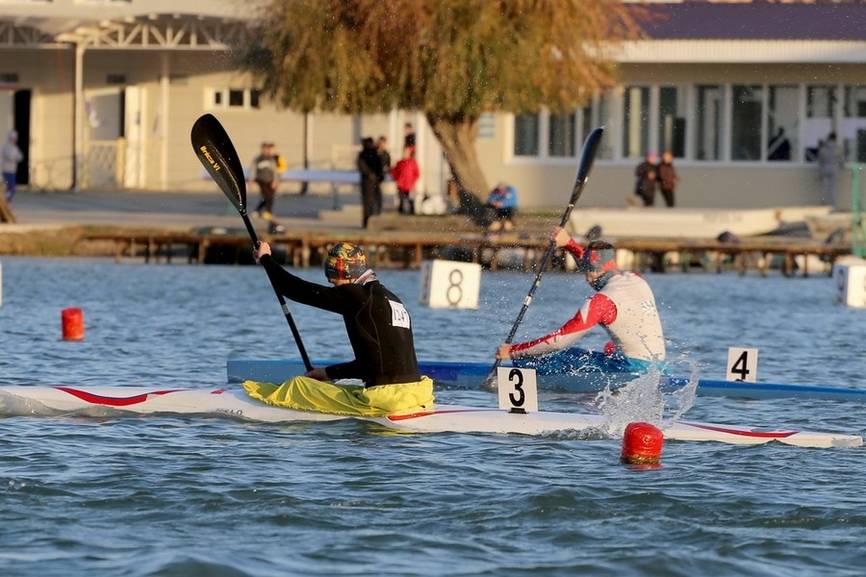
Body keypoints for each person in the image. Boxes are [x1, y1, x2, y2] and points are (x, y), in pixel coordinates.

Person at [246, 241, 433, 416]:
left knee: (298, 386)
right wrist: (327, 373)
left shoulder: (355, 296)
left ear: (347, 271)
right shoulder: (391, 298)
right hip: (417, 395)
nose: (330, 280)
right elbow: (373, 365)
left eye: (333, 271)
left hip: (384, 401)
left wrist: (266, 259)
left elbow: (295, 289)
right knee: (339, 386)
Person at [496, 227, 666, 374]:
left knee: (548, 357)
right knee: (602, 350)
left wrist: (513, 351)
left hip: (629, 370)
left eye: (587, 273)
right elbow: (592, 263)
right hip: (659, 368)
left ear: (594, 271)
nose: (586, 279)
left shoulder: (601, 301)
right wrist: (568, 243)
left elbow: (559, 341)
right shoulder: (637, 279)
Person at [250, 142, 282, 221]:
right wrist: (252, 179)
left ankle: (258, 211)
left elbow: (275, 171)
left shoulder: (272, 159)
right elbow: (253, 169)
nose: (266, 151)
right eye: (264, 149)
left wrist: (275, 181)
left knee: (268, 197)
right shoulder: (258, 158)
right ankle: (268, 212)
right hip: (261, 180)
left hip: (270, 180)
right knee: (268, 196)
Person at [357, 137, 384, 228]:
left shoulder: (369, 154)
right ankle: (368, 221)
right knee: (369, 203)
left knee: (370, 203)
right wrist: (375, 176)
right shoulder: (369, 154)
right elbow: (362, 166)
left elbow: (378, 167)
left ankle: (369, 221)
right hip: (369, 182)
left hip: (370, 182)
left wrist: (376, 177)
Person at [818, 132, 844, 207]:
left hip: (825, 167)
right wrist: (842, 166)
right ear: (835, 138)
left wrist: (820, 171)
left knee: (824, 186)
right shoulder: (838, 148)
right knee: (833, 187)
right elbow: (841, 160)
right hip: (834, 168)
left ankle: (823, 202)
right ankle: (833, 204)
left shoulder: (824, 148)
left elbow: (820, 160)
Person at [391, 146, 420, 215]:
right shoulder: (399, 162)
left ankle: (412, 212)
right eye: (404, 152)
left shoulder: (412, 162)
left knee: (410, 199)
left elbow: (417, 173)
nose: (405, 153)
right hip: (401, 185)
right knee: (401, 199)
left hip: (410, 185)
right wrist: (397, 179)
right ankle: (401, 212)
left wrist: (413, 181)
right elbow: (394, 172)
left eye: (406, 152)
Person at [2, 130, 23, 201]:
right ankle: (6, 200)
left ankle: (7, 200)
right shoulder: (6, 147)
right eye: (14, 138)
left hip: (12, 171)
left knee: (12, 188)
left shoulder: (15, 148)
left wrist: (16, 157)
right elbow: (10, 157)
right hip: (6, 171)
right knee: (9, 186)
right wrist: (15, 157)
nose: (15, 140)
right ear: (11, 138)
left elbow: (20, 157)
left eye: (16, 138)